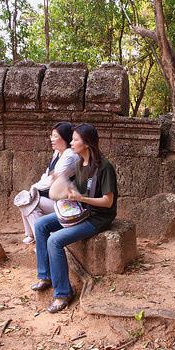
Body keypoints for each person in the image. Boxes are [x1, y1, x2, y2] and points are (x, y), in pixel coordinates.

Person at [31, 123, 118, 313]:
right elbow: (76, 191)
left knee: (55, 240)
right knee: (40, 225)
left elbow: (108, 202)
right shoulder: (79, 164)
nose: (71, 142)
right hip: (80, 211)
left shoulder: (104, 167)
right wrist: (64, 189)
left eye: (75, 139)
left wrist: (81, 198)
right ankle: (45, 276)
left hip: (97, 217)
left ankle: (63, 293)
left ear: (86, 143)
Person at [14, 122, 79, 244]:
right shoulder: (58, 153)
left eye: (55, 136)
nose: (52, 139)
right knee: (25, 199)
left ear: (65, 137)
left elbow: (53, 180)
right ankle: (31, 234)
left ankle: (42, 241)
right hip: (56, 199)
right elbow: (47, 174)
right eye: (51, 136)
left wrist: (34, 188)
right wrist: (34, 188)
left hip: (69, 204)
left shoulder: (70, 155)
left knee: (31, 202)